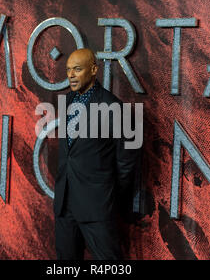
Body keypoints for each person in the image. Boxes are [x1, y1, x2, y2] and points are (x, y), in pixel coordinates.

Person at [53, 48, 138, 260]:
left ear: (93, 70)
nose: (71, 75)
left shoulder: (113, 107)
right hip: (65, 203)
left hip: (96, 205)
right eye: (68, 70)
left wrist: (106, 194)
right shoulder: (68, 101)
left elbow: (127, 162)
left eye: (77, 69)